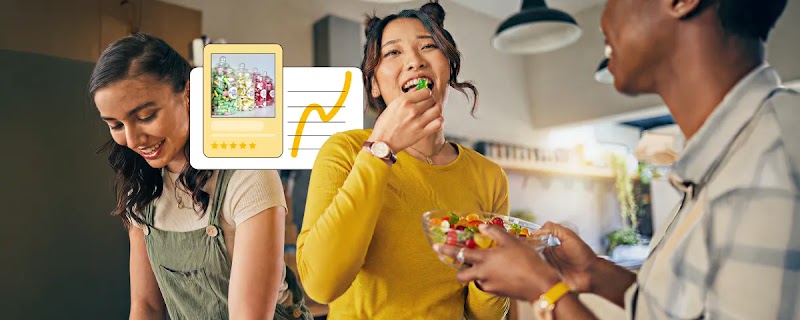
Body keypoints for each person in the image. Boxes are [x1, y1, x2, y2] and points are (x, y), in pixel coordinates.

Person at [436, 0, 799, 319]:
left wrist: (545, 290)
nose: (603, 17)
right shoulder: (729, 160)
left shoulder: (772, 162)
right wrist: (594, 272)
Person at [295, 2, 510, 319]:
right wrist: (381, 148)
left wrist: (494, 265)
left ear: (449, 68)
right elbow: (321, 285)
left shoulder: (488, 175)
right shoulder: (345, 151)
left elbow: (485, 314)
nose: (415, 61)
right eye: (393, 53)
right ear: (374, 84)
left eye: (429, 46)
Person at [89, 33, 312, 320]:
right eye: (116, 125)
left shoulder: (249, 177)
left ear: (190, 94)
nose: (132, 140)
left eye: (145, 117)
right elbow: (146, 308)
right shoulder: (143, 190)